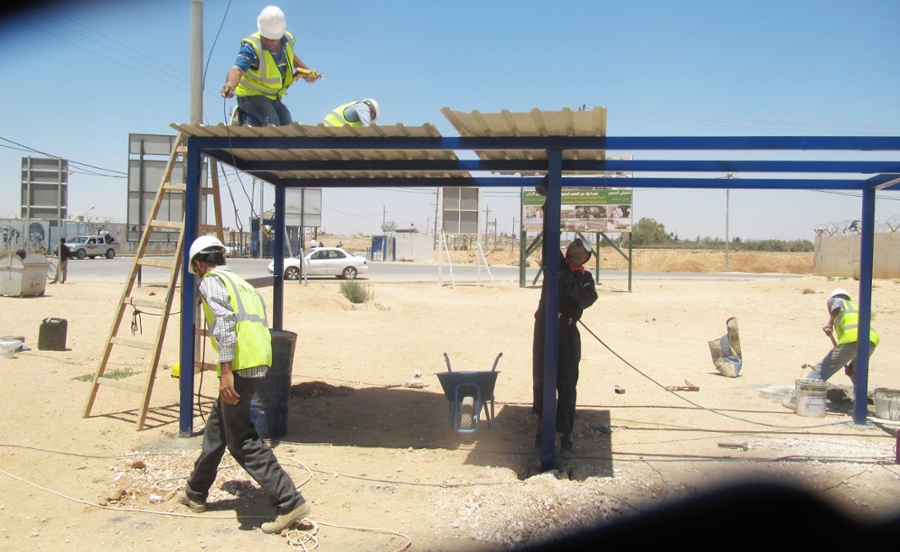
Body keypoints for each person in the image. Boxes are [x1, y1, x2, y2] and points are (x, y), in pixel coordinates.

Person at [178, 236, 311, 534]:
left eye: (196, 268)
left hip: (238, 365)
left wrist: (225, 371)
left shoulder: (211, 281)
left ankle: (289, 502)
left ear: (199, 264)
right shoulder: (242, 283)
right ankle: (195, 492)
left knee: (242, 439)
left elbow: (224, 324)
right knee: (217, 427)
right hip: (259, 361)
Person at [532, 235, 598, 459]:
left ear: (586, 255)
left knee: (567, 383)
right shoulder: (558, 264)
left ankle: (566, 436)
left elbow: (586, 300)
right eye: (572, 242)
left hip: (567, 332)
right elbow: (549, 246)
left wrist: (571, 287)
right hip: (546, 328)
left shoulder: (586, 278)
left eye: (578, 244)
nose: (572, 245)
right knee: (542, 378)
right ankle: (542, 433)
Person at [221, 6, 318, 127]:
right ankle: (244, 116)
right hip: (250, 96)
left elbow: (290, 56)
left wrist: (306, 71)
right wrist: (230, 85)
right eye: (266, 37)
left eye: (273, 39)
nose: (269, 42)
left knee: (287, 128)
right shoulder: (251, 47)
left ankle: (251, 118)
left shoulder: (287, 40)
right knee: (272, 125)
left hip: (273, 97)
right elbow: (238, 69)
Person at [808, 288, 880, 387]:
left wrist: (830, 323)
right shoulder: (856, 307)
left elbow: (836, 304)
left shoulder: (839, 300)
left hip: (852, 338)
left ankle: (801, 394)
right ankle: (861, 399)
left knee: (824, 368)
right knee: (856, 371)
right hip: (871, 340)